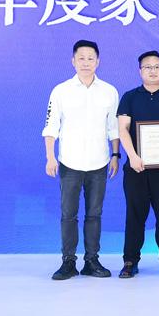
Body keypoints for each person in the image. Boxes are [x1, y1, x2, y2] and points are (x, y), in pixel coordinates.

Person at [43, 40, 119, 280]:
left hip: (99, 162)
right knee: (69, 215)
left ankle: (91, 261)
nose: (86, 62)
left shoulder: (109, 91)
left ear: (98, 61)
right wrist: (50, 157)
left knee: (94, 214)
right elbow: (51, 126)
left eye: (90, 58)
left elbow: (114, 128)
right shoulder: (61, 91)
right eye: (81, 58)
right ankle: (68, 262)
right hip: (69, 162)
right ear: (73, 61)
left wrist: (115, 156)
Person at [116, 50, 159, 278]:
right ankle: (130, 261)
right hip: (136, 168)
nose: (153, 71)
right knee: (134, 216)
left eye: (157, 66)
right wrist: (132, 156)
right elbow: (122, 129)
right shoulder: (129, 97)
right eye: (148, 67)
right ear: (140, 71)